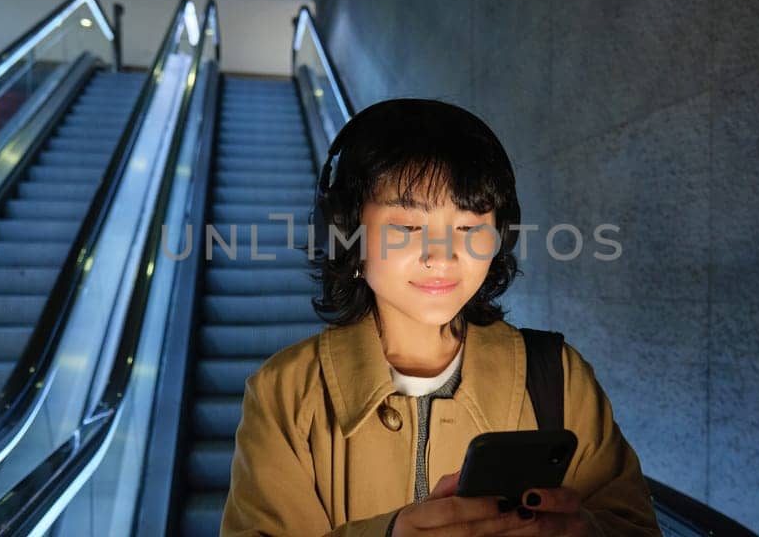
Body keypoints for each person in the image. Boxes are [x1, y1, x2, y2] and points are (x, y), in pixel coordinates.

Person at [222, 98, 661, 536]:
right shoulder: (285, 394)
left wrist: (585, 531)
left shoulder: (558, 377)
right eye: (408, 227)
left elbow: (635, 525)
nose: (443, 255)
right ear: (344, 231)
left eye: (470, 227)